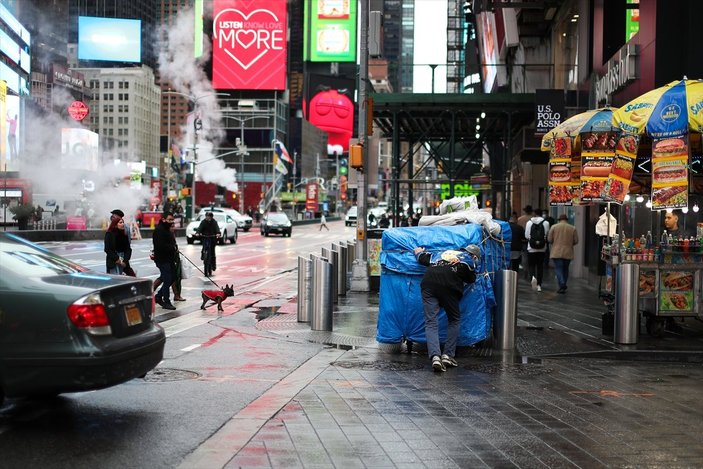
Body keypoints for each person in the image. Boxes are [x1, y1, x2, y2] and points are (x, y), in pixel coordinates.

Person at [413, 244, 479, 372]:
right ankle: (447, 355)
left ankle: (435, 357)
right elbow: (471, 279)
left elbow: (422, 258)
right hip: (449, 286)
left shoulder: (440, 253)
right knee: (454, 319)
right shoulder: (468, 260)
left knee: (431, 322)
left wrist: (418, 252)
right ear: (474, 256)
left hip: (429, 283)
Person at [153, 222, 186, 301]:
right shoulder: (163, 233)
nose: (173, 228)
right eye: (171, 227)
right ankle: (158, 295)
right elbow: (160, 246)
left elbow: (173, 245)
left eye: (174, 226)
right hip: (164, 260)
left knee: (169, 277)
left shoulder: (171, 234)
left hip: (171, 259)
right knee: (167, 277)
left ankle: (175, 295)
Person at [153, 212, 178, 310]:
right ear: (163, 219)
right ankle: (166, 301)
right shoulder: (159, 230)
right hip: (162, 259)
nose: (171, 222)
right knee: (167, 279)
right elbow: (160, 246)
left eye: (172, 220)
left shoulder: (167, 229)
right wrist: (172, 248)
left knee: (173, 277)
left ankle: (159, 296)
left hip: (169, 258)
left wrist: (174, 247)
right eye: (170, 220)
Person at [548, 213, 579, 293]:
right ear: (566, 220)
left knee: (558, 268)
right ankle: (563, 283)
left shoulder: (554, 227)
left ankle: (561, 284)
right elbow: (576, 241)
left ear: (559, 220)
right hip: (568, 252)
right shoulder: (572, 228)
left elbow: (549, 239)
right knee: (565, 269)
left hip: (556, 251)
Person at [525, 208, 550, 292]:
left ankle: (533, 279)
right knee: (540, 266)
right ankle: (539, 285)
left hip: (531, 248)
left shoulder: (529, 222)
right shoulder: (546, 223)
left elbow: (526, 236)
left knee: (531, 265)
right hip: (542, 248)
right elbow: (547, 234)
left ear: (534, 213)